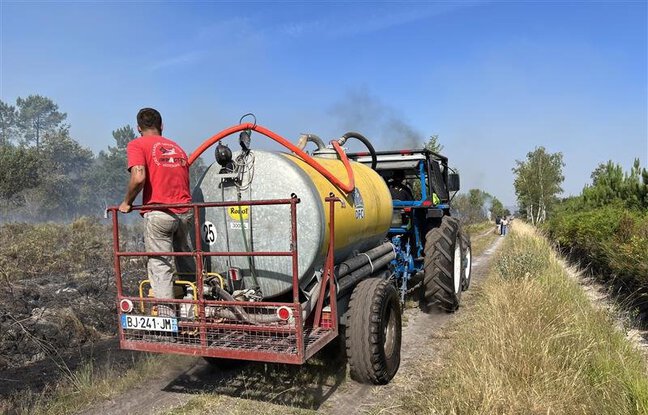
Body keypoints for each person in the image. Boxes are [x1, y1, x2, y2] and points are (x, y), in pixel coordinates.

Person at [119, 108, 194, 314]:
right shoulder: (176, 147)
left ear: (138, 128)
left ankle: (166, 320)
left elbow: (139, 177)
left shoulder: (137, 144)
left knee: (161, 265)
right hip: (185, 213)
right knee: (185, 260)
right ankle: (196, 310)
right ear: (162, 126)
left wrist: (127, 202)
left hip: (160, 213)